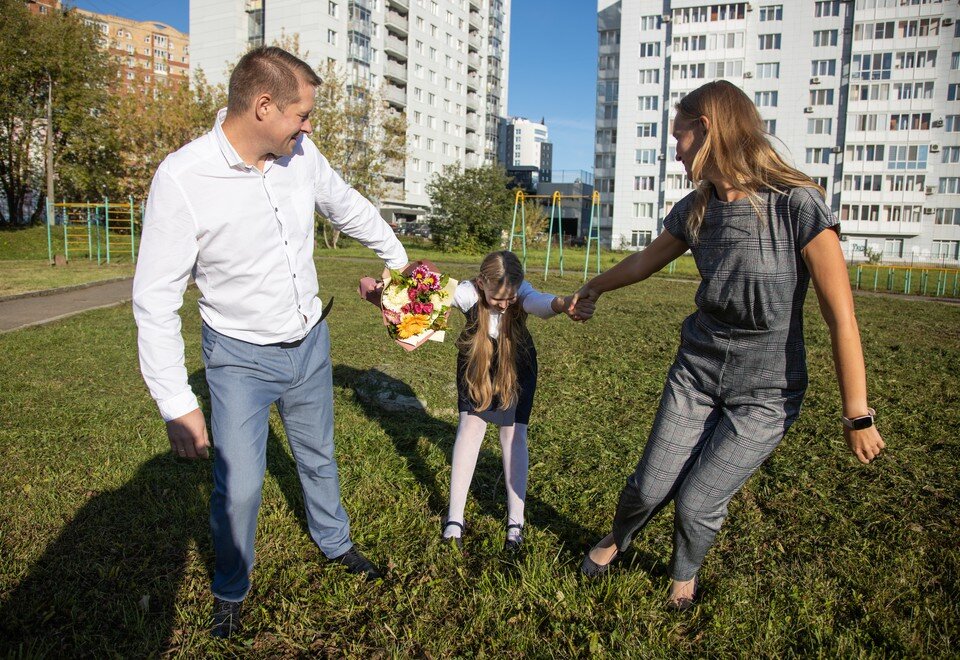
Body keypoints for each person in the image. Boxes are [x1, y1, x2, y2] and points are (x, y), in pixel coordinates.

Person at [572, 80, 886, 609]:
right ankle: (615, 540)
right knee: (649, 487)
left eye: (680, 136)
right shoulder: (697, 208)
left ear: (708, 129)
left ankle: (682, 577)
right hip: (696, 372)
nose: (675, 150)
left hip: (766, 390)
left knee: (697, 501)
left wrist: (857, 412)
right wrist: (594, 286)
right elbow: (645, 261)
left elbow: (841, 318)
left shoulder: (798, 205)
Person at [132, 46, 408, 638]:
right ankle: (231, 587)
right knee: (241, 486)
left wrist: (397, 259)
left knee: (318, 456)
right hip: (237, 360)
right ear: (263, 107)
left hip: (310, 343)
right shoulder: (182, 179)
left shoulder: (299, 155)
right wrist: (176, 403)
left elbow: (346, 204)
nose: (308, 128)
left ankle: (335, 544)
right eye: (302, 115)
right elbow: (154, 299)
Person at [441, 251, 590, 552]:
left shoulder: (518, 292)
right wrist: (385, 294)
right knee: (469, 431)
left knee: (513, 435)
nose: (505, 304)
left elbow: (539, 303)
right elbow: (429, 294)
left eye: (510, 298)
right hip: (476, 366)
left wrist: (562, 304)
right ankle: (454, 520)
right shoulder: (468, 293)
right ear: (482, 283)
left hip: (517, 365)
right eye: (498, 298)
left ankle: (515, 523)